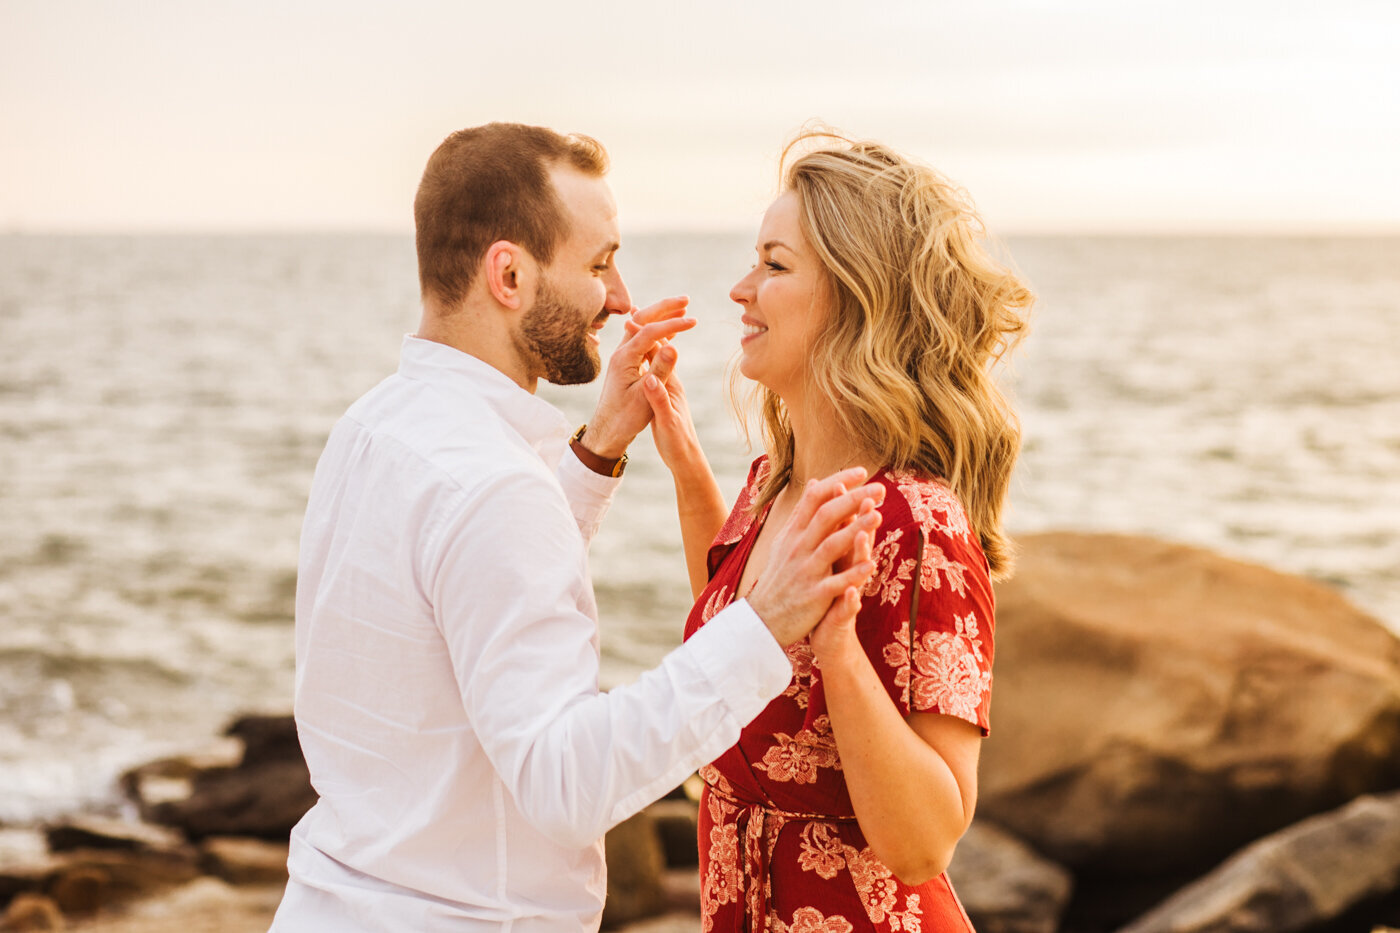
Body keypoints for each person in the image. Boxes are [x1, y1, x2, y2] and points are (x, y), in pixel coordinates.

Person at [269, 123, 887, 932]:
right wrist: (763, 623)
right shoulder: (490, 484)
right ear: (510, 273)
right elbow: (564, 784)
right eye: (599, 265)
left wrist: (597, 453)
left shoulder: (372, 428)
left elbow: (472, 595)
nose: (623, 296)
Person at [639, 132, 1033, 932]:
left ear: (856, 299)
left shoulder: (915, 525)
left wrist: (842, 649)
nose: (740, 289)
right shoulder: (770, 486)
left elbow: (925, 842)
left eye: (775, 266)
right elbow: (741, 657)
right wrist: (690, 479)